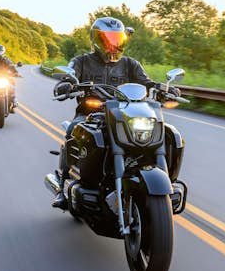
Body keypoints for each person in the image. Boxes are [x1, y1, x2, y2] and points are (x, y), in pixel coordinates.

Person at [51, 17, 157, 209]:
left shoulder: (130, 64)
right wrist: (65, 84)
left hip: (123, 116)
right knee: (74, 129)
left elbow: (147, 82)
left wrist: (162, 88)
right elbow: (68, 75)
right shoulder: (82, 61)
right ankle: (62, 186)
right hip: (91, 115)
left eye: (117, 39)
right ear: (96, 40)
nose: (112, 44)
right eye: (107, 39)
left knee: (161, 130)